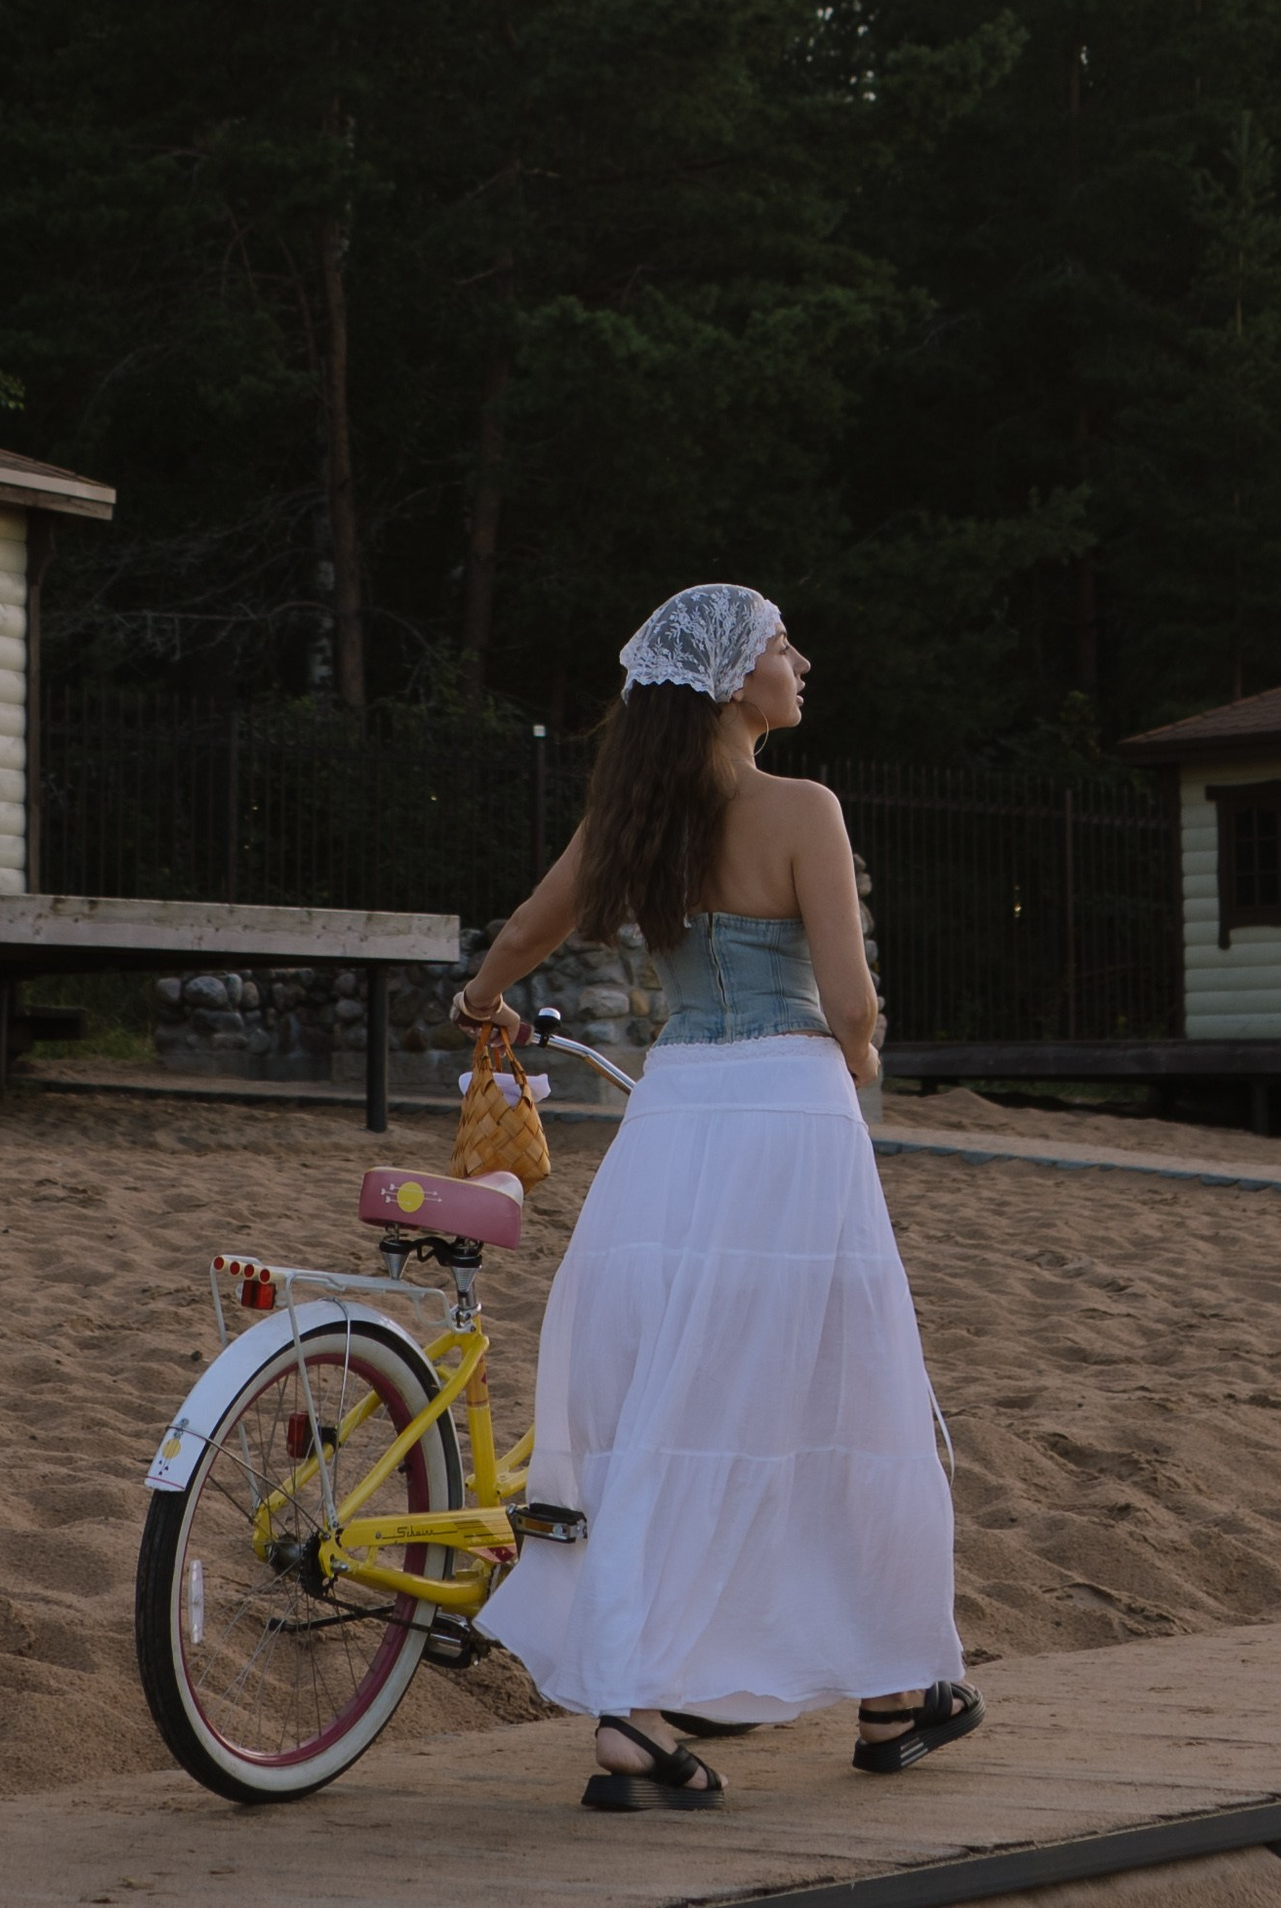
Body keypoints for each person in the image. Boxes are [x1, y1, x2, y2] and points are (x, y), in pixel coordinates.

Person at [462, 583, 976, 1813]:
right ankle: (896, 1687)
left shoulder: (636, 816)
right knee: (837, 1392)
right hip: (787, 1114)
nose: (801, 661)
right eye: (781, 646)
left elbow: (532, 926)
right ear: (735, 680)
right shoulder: (802, 809)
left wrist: (481, 1002)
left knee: (664, 1406)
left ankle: (638, 1713)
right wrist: (850, 1069)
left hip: (673, 1117)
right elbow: (849, 1006)